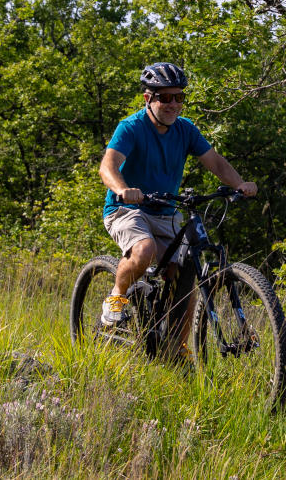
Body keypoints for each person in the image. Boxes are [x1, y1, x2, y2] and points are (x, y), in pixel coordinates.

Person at [98, 62, 258, 331]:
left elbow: (216, 163)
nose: (173, 104)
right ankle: (116, 298)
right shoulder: (131, 127)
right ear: (148, 98)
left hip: (165, 211)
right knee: (144, 249)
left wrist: (240, 184)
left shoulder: (185, 129)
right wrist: (123, 190)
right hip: (126, 210)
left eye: (179, 97)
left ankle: (176, 348)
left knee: (184, 275)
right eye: (165, 97)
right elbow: (108, 166)